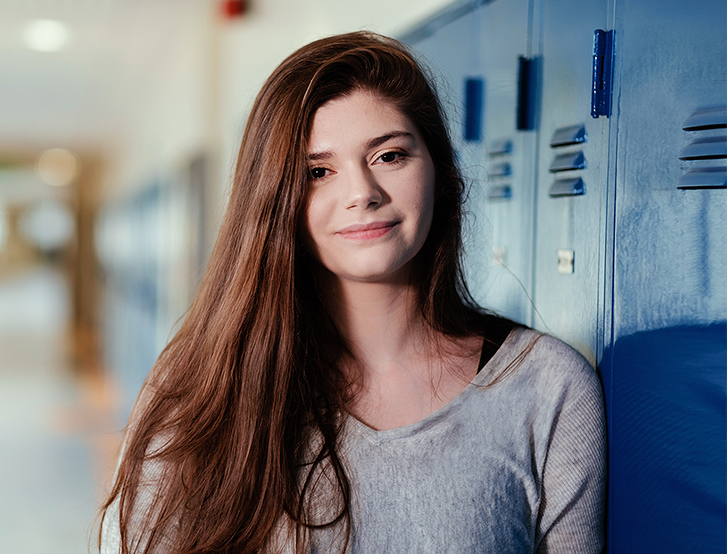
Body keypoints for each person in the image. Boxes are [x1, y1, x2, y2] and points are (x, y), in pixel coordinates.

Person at [99, 31, 606, 554]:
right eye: (318, 172)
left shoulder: (547, 386)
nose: (362, 193)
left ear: (440, 171)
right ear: (275, 202)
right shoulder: (202, 387)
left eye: (389, 156)